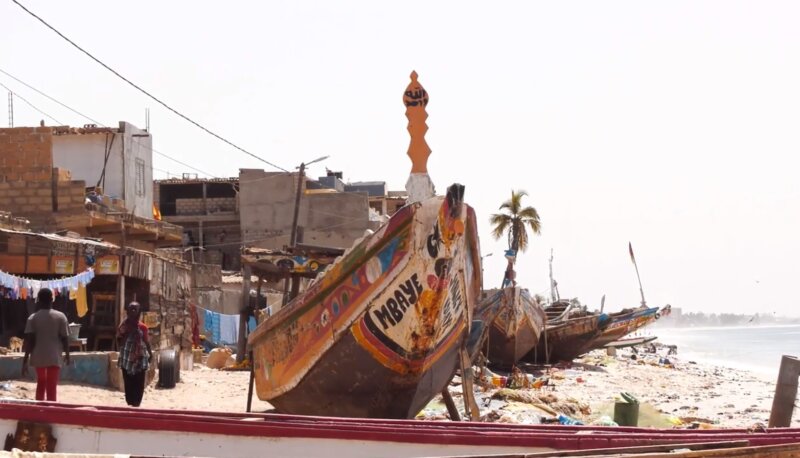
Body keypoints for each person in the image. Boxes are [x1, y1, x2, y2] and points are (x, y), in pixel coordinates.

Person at [21, 288, 70, 402]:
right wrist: (67, 354)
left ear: (38, 301)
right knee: (51, 385)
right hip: (54, 357)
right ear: (52, 300)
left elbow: (30, 341)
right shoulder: (61, 316)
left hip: (38, 357)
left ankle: (39, 410)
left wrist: (25, 360)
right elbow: (65, 338)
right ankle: (51, 411)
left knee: (41, 383)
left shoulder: (32, 318)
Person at [117, 301, 153, 407]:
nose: (133, 311)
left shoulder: (143, 327)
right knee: (128, 383)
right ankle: (129, 403)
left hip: (140, 358)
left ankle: (137, 404)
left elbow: (146, 341)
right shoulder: (123, 326)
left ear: (138, 312)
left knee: (139, 383)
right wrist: (128, 332)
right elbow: (119, 343)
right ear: (127, 311)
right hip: (127, 358)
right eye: (131, 309)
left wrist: (150, 354)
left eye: (135, 309)